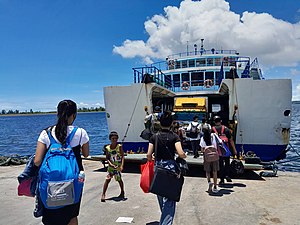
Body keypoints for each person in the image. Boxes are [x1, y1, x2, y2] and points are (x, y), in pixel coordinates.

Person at [34, 100, 90, 225]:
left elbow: (37, 161)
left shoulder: (46, 133)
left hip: (50, 181)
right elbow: (86, 154)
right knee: (72, 215)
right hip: (75, 180)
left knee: (50, 215)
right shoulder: (81, 132)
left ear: (57, 113)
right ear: (74, 115)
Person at [147, 111, 186, 225]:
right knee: (170, 198)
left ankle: (164, 220)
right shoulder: (174, 136)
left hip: (158, 166)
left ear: (160, 123)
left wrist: (152, 157)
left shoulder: (154, 136)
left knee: (160, 193)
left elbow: (149, 155)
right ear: (172, 123)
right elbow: (180, 153)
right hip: (170, 166)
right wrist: (183, 155)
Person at [212, 115, 237, 185]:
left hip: (217, 150)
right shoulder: (226, 129)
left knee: (220, 165)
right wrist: (234, 150)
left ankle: (221, 179)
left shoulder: (212, 129)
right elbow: (231, 140)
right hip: (226, 149)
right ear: (221, 121)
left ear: (214, 122)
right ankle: (227, 175)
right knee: (227, 163)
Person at [101, 131, 125, 202]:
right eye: (113, 138)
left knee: (119, 180)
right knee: (107, 179)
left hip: (117, 166)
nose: (114, 140)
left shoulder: (119, 147)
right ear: (110, 139)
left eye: (115, 138)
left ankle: (122, 192)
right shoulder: (108, 148)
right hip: (111, 167)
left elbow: (123, 156)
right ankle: (103, 194)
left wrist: (122, 166)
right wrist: (110, 164)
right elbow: (107, 157)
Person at [200, 125, 222, 193]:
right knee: (215, 171)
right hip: (215, 155)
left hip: (207, 156)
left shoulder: (202, 138)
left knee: (207, 171)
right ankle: (215, 187)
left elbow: (202, 149)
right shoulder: (214, 135)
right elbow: (220, 142)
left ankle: (209, 182)